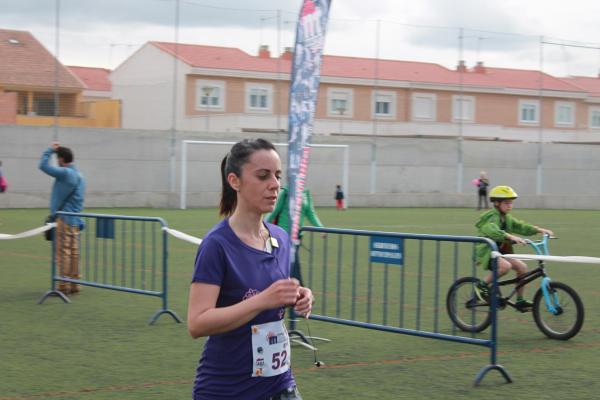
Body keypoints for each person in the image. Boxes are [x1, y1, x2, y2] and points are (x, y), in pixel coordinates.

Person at [187, 138, 313, 400]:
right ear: (235, 181)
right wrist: (262, 300)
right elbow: (197, 323)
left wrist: (298, 293)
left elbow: (270, 287)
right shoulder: (217, 245)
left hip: (280, 384)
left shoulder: (280, 237)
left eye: (277, 176)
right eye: (263, 176)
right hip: (228, 390)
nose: (275, 184)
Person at [474, 185, 553, 312]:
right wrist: (510, 236)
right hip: (488, 252)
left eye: (511, 203)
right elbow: (492, 230)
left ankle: (520, 300)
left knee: (522, 267)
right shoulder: (491, 216)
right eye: (506, 203)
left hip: (500, 252)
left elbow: (521, 226)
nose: (510, 205)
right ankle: (481, 285)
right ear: (497, 203)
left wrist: (539, 230)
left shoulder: (507, 218)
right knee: (505, 267)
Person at [39, 143, 86, 295]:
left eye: (58, 159)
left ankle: (63, 284)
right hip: (76, 219)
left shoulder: (65, 173)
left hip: (64, 219)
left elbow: (43, 166)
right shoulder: (80, 176)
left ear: (61, 159)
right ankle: (75, 283)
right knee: (74, 252)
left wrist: (50, 150)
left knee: (63, 252)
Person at [265, 185, 324, 285]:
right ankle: (298, 290)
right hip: (283, 236)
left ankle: (289, 290)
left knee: (288, 265)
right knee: (293, 265)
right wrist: (262, 225)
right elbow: (274, 211)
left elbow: (310, 213)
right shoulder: (286, 192)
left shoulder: (306, 193)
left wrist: (321, 228)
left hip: (297, 236)